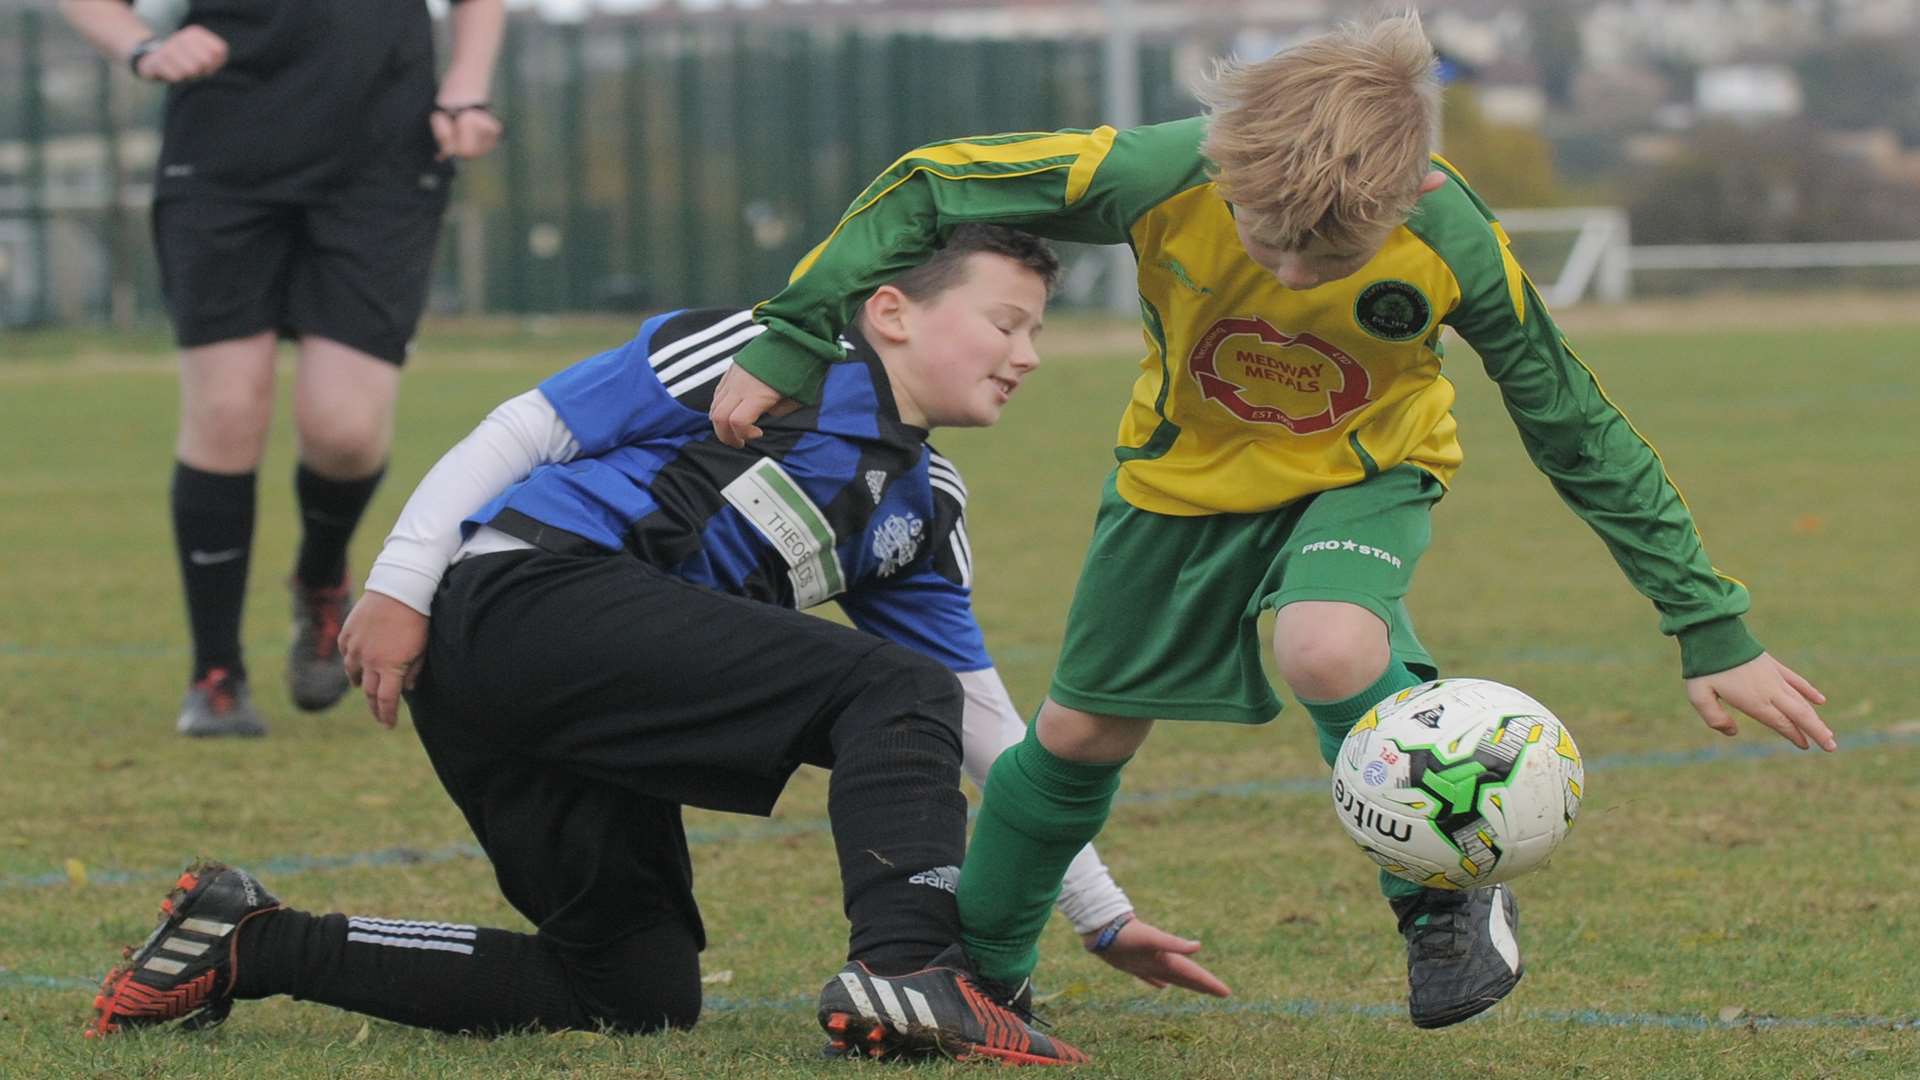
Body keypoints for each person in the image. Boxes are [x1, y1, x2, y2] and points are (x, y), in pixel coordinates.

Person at [702, 12, 1835, 1031]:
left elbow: (1573, 423)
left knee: (1329, 641)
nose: (1287, 268)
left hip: (1364, 471)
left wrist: (1709, 621)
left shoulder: (1451, 238)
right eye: (1261, 234)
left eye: (1324, 254)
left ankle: (1442, 901)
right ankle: (982, 978)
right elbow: (930, 183)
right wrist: (798, 330)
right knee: (1079, 736)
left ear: (1400, 201)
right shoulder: (1157, 170)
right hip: (1180, 480)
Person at [85, 226, 1228, 1061]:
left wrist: (1100, 913)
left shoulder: (923, 509)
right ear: (891, 311)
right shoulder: (779, 355)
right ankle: (909, 975)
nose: (1027, 353)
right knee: (892, 690)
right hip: (525, 600)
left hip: (567, 688)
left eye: (1037, 329)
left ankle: (252, 942)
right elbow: (527, 424)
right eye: (1006, 321)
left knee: (629, 991)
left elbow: (984, 721)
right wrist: (397, 579)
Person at [58, 0, 506, 737]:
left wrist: (465, 86)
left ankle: (321, 576)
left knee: (346, 432)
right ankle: (216, 675)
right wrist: (144, 48)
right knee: (227, 412)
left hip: (382, 161)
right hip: (223, 156)